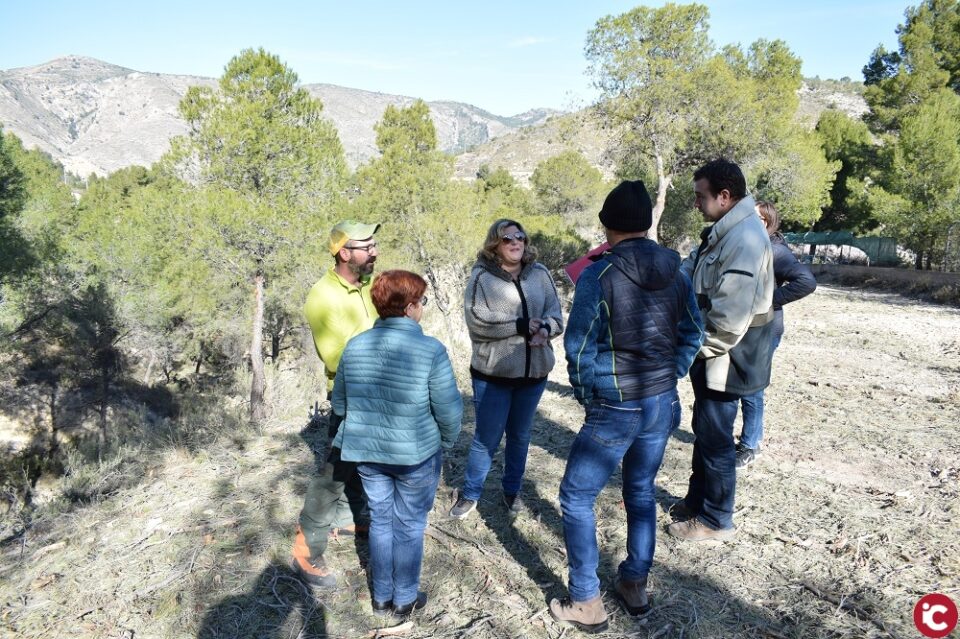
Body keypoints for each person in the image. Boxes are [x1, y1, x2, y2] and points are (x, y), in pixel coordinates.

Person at [548, 181, 704, 632]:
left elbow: (578, 347)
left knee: (576, 497)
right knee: (639, 492)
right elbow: (694, 331)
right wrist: (671, 372)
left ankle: (586, 600)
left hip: (616, 405)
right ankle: (634, 582)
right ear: (647, 223)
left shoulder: (599, 275)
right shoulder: (677, 272)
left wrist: (586, 393)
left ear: (606, 224)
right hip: (661, 403)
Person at [332, 270, 463, 617]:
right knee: (409, 525)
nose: (421, 308)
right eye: (420, 302)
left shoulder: (355, 346)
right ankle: (404, 598)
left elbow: (340, 405)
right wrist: (446, 442)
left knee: (380, 519)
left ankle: (380, 596)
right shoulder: (431, 349)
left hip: (367, 453)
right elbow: (448, 409)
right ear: (408, 308)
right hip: (416, 455)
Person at [667, 159, 774, 542]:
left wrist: (690, 351)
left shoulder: (744, 240)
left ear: (724, 197)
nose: (696, 203)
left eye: (701, 196)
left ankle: (716, 519)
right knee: (706, 430)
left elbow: (729, 321)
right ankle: (697, 501)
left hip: (725, 358)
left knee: (715, 437)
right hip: (713, 354)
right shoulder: (724, 231)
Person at [448, 219, 564, 519]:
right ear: (494, 245)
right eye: (507, 238)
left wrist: (546, 330)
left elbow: (555, 315)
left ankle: (511, 491)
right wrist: (520, 326)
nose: (515, 242)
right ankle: (471, 493)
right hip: (493, 376)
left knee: (520, 435)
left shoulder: (539, 274)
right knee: (486, 438)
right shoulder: (481, 278)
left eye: (520, 236)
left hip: (534, 373)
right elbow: (477, 323)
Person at [291, 220, 380, 588]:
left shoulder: (369, 284)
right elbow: (336, 358)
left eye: (375, 244)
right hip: (351, 395)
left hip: (379, 392)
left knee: (363, 463)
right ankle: (304, 551)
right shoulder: (323, 297)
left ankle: (347, 519)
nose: (374, 251)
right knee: (335, 471)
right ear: (345, 253)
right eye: (366, 246)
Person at [735, 201, 816, 467]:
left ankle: (750, 444)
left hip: (765, 330)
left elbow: (806, 282)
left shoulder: (776, 251)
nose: (752, 221)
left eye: (759, 218)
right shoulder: (749, 245)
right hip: (743, 329)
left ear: (770, 222)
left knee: (752, 388)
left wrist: (770, 301)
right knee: (738, 383)